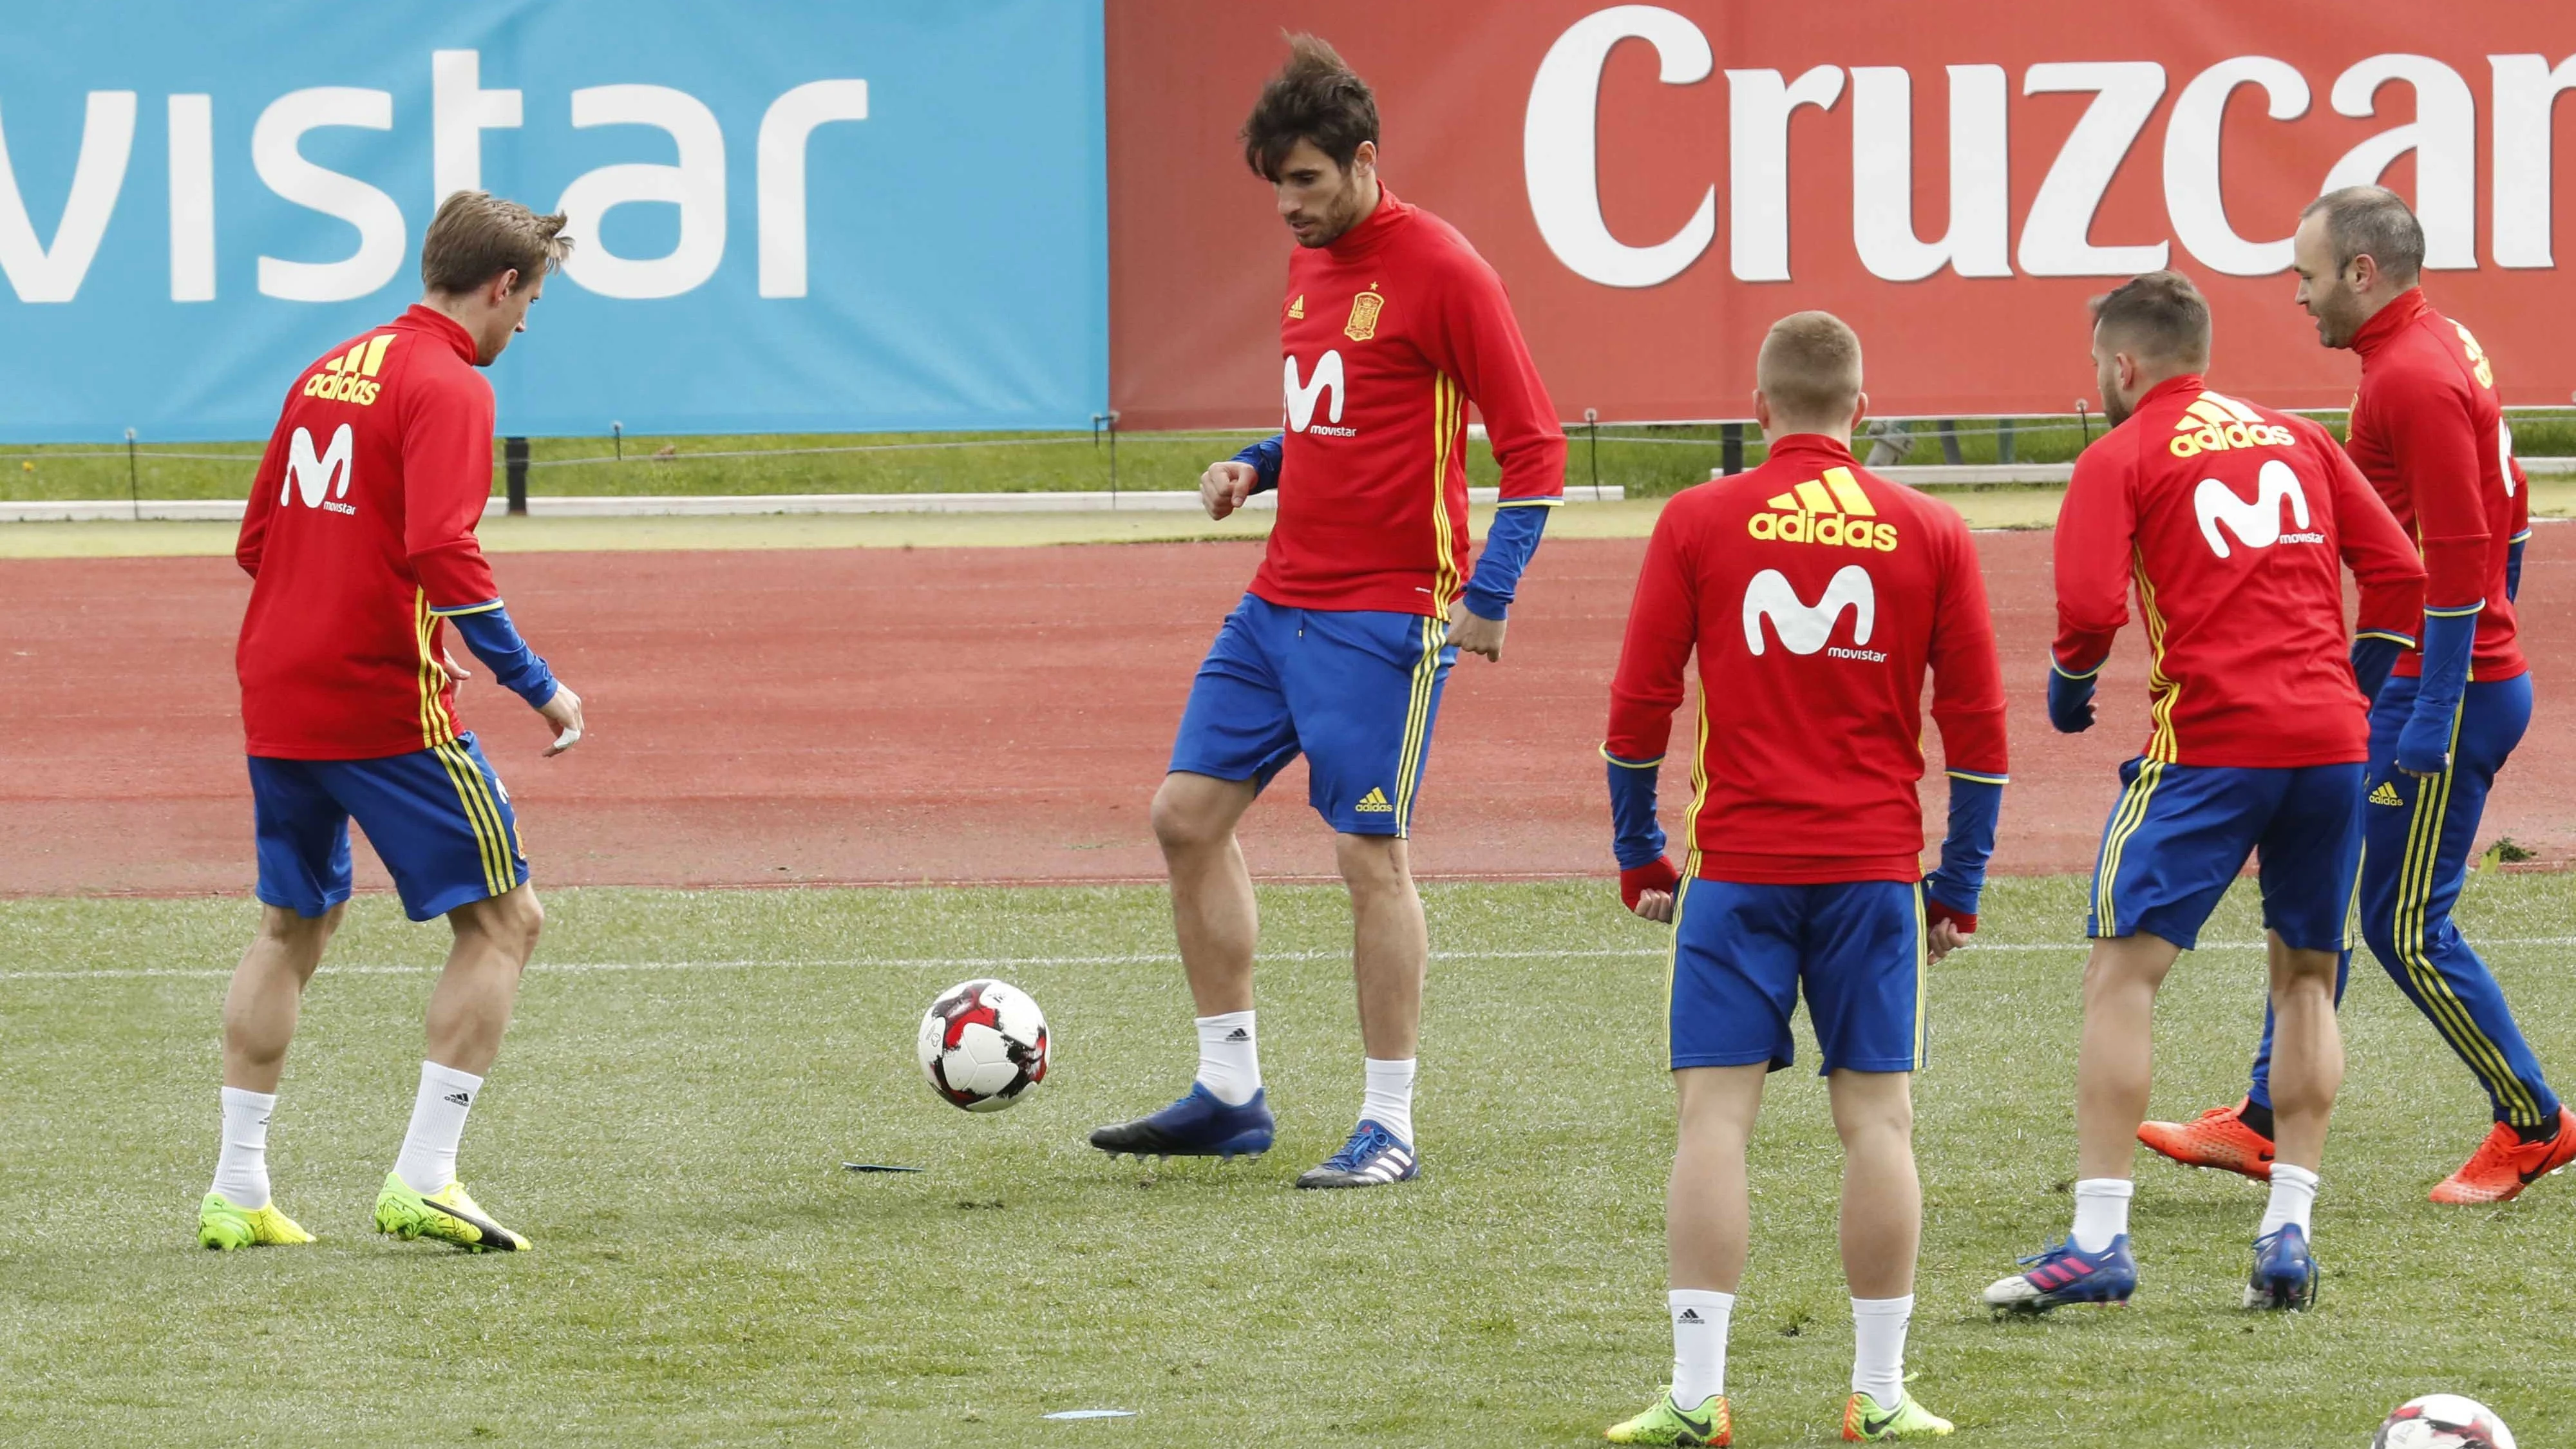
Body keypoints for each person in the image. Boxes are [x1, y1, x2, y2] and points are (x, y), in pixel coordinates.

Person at [1088, 35, 1564, 1189]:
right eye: (1275, 188)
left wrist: (1490, 597)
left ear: (1360, 160)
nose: (1288, 208)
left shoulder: (1447, 268)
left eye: (1304, 182)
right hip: (1277, 601)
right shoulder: (1313, 266)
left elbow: (1537, 448)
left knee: (1368, 854)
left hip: (1388, 616)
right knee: (1184, 817)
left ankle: (1388, 1121)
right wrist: (1256, 463)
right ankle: (1230, 1091)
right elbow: (1329, 416)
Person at [1982, 271, 2422, 1317]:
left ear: (2125, 366)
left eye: (2099, 366)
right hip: (2328, 747)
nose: (2097, 383)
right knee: (2307, 979)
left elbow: (2089, 606)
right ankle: (2288, 1230)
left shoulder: (2120, 453)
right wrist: (2342, 696)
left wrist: (2072, 682)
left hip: (2210, 748)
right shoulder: (2299, 436)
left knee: (2122, 976)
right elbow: (2401, 574)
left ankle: (2098, 1237)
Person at [1601, 312, 2002, 1444]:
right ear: (1862, 414)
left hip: (1736, 872)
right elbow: (1977, 730)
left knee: (1713, 1124)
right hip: (1874, 875)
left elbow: (1640, 709)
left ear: (1762, 410)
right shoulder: (1930, 529)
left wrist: (1639, 849)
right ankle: (1877, 1394)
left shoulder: (1698, 518)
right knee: (1879, 1123)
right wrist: (1957, 880)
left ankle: (1695, 1397)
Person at [2140, 187, 2574, 1203]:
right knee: (2316, 891)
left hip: (2445, 693)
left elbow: (2466, 548)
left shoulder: (2409, 379)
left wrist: (2434, 701)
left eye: (2307, 274)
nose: (2298, 296)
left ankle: (2534, 1121)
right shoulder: (2437, 345)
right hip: (2431, 677)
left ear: (2362, 273)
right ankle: (2259, 1118)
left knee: (2404, 926)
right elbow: (2507, 510)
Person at [197, 191, 585, 1253]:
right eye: (531, 301)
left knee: (292, 926)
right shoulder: (449, 382)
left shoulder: (330, 367)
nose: (524, 325)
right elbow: (443, 549)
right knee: (507, 921)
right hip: (381, 703)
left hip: (277, 686)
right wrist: (533, 680)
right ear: (501, 285)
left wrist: (362, 604)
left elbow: (258, 540)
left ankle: (237, 1190)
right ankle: (426, 1176)